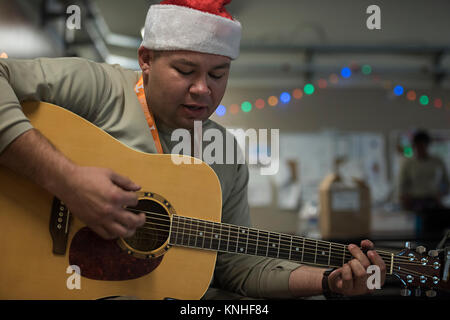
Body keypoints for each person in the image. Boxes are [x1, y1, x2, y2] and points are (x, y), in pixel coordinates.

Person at [0, 0, 386, 299]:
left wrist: (327, 280)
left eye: (218, 74)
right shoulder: (102, 89)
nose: (204, 89)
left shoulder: (224, 155)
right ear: (146, 60)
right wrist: (66, 181)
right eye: (185, 71)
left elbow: (237, 264)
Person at [399, 129, 450, 237]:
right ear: (414, 146)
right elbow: (403, 185)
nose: (420, 149)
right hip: (416, 203)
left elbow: (446, 183)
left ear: (427, 145)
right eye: (417, 146)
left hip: (434, 202)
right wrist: (404, 199)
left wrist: (442, 194)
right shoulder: (409, 163)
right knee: (419, 235)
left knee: (436, 234)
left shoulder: (437, 162)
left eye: (422, 146)